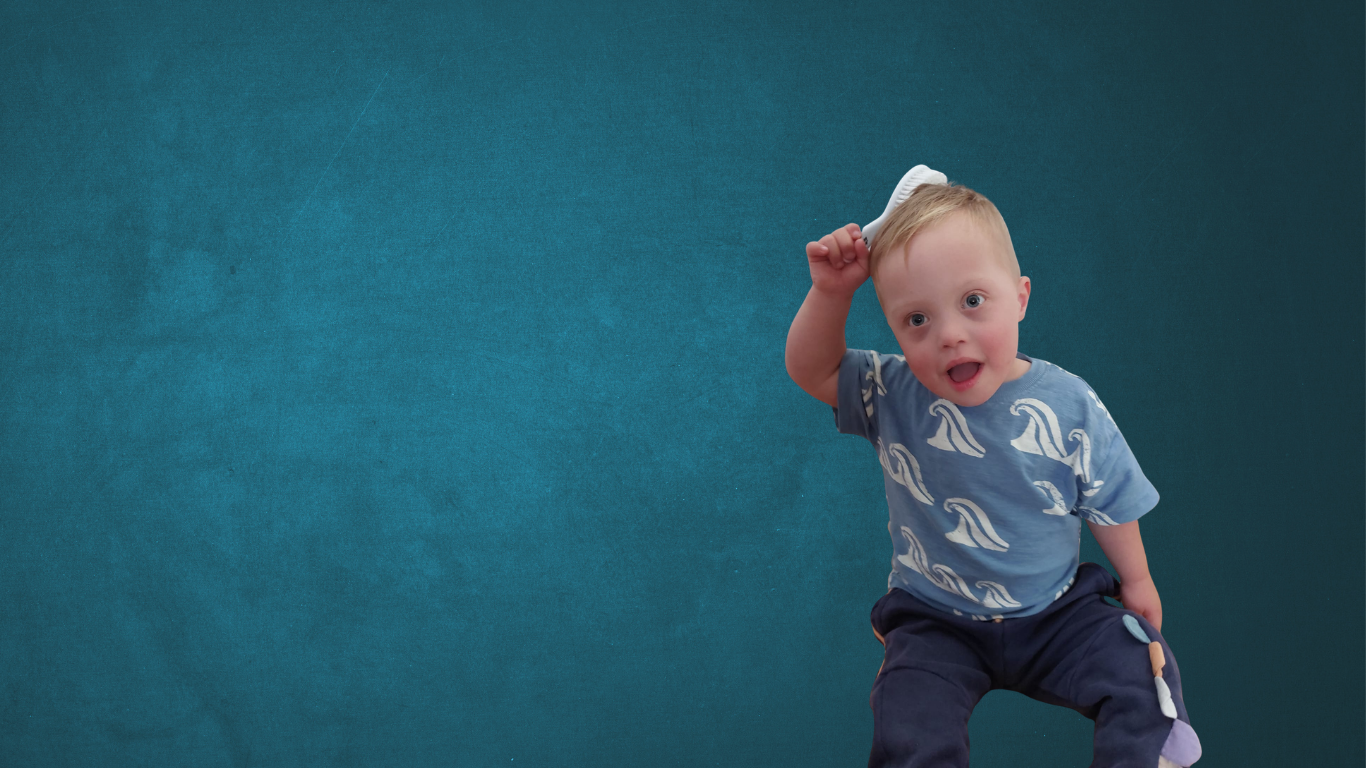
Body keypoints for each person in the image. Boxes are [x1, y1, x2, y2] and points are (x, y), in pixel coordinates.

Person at [784, 167, 1201, 768]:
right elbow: (812, 370)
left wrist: (1135, 579)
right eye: (917, 320)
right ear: (896, 332)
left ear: (1022, 297)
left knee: (1142, 667)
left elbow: (1108, 496)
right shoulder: (892, 391)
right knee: (908, 716)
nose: (950, 335)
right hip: (935, 619)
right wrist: (831, 293)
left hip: (1056, 613)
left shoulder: (1067, 403)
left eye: (973, 302)